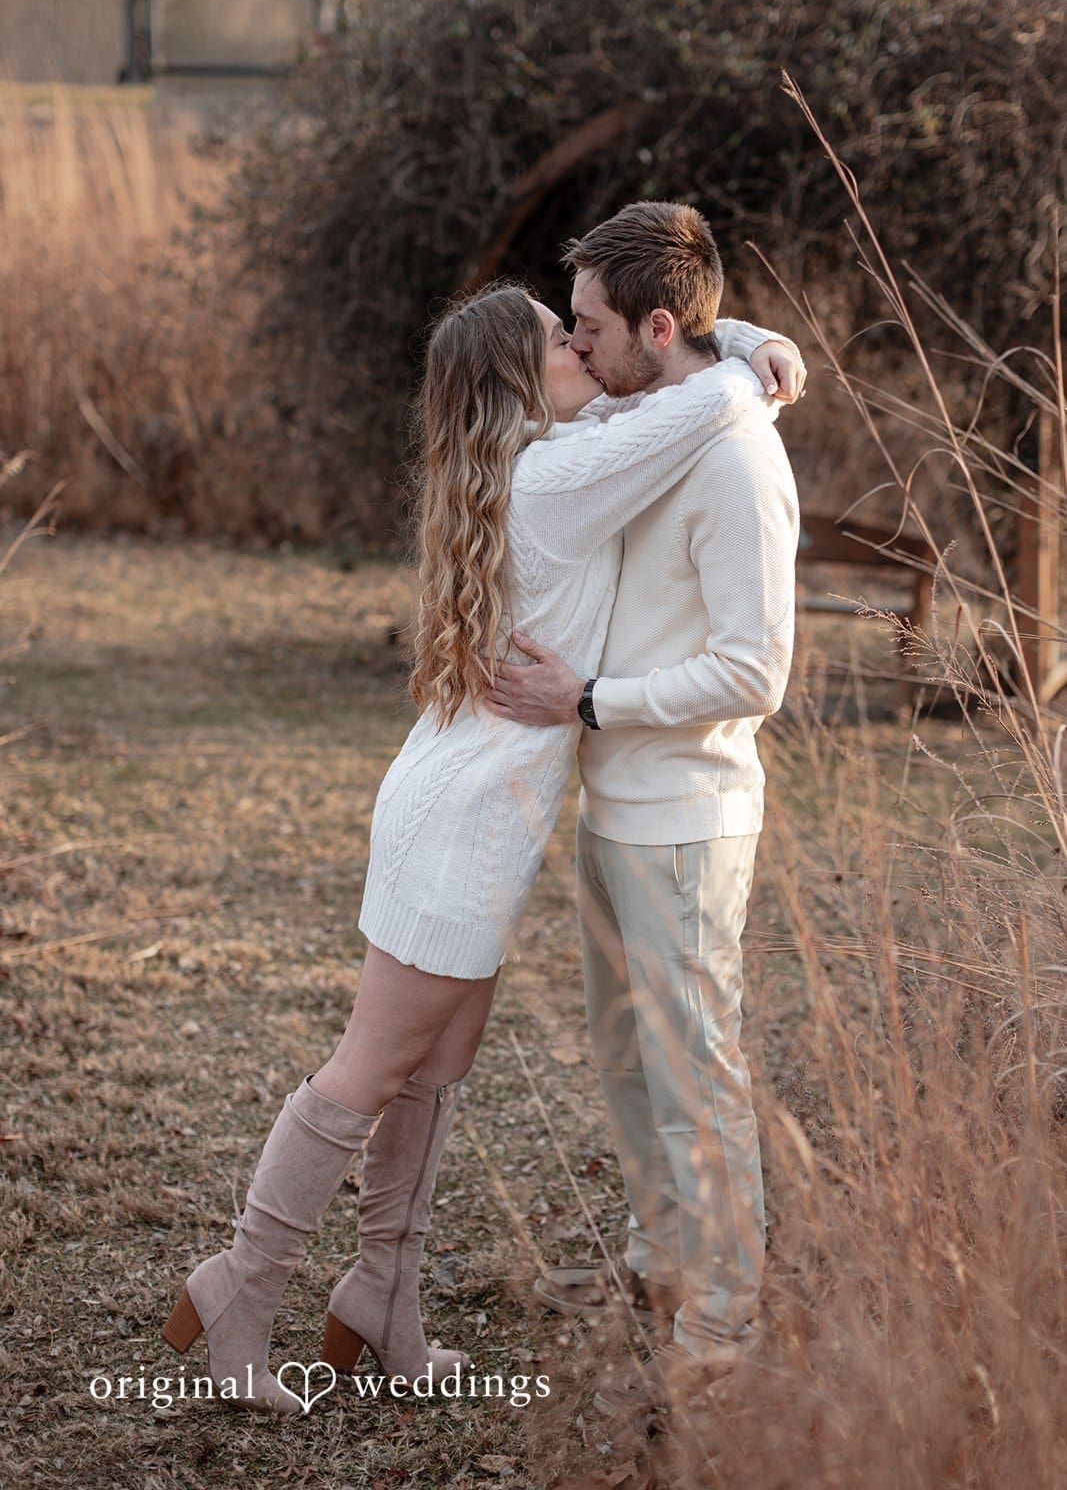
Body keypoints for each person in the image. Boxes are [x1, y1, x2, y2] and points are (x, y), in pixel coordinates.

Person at [160, 276, 803, 1414]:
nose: (583, 348)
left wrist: (741, 338)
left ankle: (382, 1302)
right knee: (367, 1067)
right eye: (564, 337)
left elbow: (674, 376)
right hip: (456, 826)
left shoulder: (554, 450)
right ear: (525, 375)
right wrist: (749, 349)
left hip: (478, 817)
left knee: (435, 1069)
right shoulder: (555, 476)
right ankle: (238, 1297)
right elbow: (705, 401)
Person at [484, 202, 802, 1414]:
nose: (575, 344)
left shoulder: (733, 457)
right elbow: (715, 357)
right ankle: (661, 1259)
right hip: (611, 800)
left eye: (588, 326)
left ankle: (722, 1325)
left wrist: (594, 698)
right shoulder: (651, 408)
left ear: (655, 327)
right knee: (626, 1056)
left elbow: (753, 671)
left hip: (684, 811)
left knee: (694, 1070)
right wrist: (749, 340)